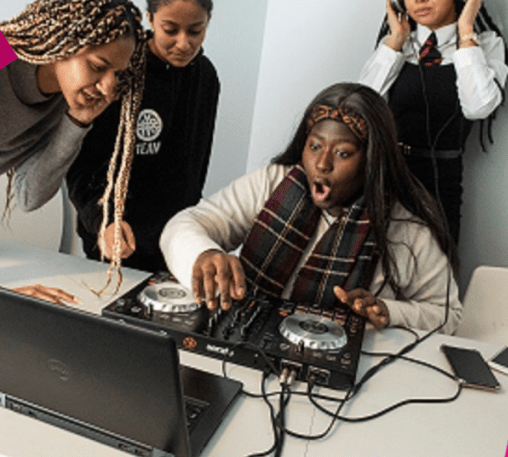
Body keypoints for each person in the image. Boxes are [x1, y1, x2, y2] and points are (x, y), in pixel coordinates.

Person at [160, 83, 462, 333]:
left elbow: (448, 315)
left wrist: (390, 312)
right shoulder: (272, 182)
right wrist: (204, 254)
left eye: (343, 153)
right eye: (315, 146)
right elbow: (183, 225)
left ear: (372, 160)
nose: (322, 164)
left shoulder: (406, 227)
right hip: (242, 341)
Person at [0, 0, 146, 303]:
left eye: (118, 75)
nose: (108, 89)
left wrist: (77, 121)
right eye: (98, 66)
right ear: (64, 43)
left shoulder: (64, 103)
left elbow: (28, 195)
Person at [359, 0, 508, 244]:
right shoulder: (396, 44)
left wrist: (466, 30)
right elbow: (363, 105)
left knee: (433, 281)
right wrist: (395, 43)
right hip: (383, 177)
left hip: (441, 184)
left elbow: (478, 106)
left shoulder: (485, 45)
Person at [67, 0, 220, 273]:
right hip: (115, 237)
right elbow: (82, 166)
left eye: (195, 30)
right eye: (170, 29)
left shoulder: (206, 77)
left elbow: (196, 168)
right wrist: (104, 222)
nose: (183, 43)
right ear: (150, 18)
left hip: (174, 240)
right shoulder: (120, 72)